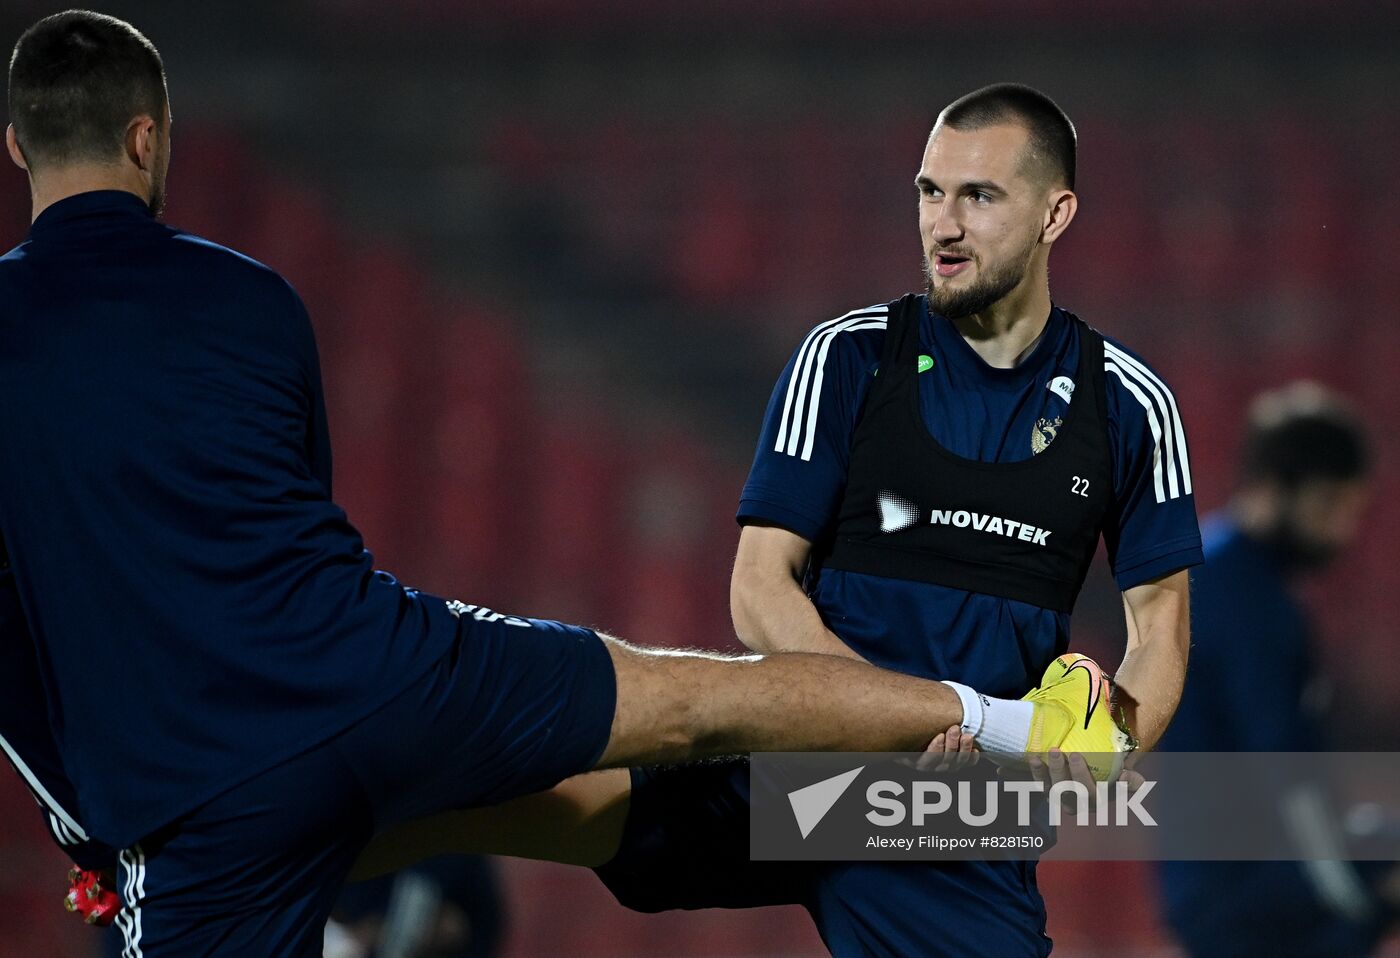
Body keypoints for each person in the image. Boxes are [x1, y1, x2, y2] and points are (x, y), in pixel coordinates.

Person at [0, 13, 1121, 957]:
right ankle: (1014, 722)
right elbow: (296, 511)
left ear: (16, 146)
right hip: (362, 663)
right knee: (687, 704)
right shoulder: (252, 297)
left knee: (416, 811)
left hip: (199, 784)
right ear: (149, 139)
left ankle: (992, 738)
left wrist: (99, 824)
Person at [336, 82, 1202, 958]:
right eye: (929, 192)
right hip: (798, 753)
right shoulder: (848, 357)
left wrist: (1109, 746)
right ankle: (279, 852)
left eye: (979, 196)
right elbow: (759, 586)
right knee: (531, 796)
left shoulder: (1128, 405)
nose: (943, 223)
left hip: (946, 807)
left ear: (1056, 214)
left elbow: (1158, 625)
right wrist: (882, 721)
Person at [1156, 382, 1399, 957]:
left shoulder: (1210, 567)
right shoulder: (1250, 603)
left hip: (1206, 881)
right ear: (1274, 488)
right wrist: (1358, 882)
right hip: (1245, 891)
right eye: (1329, 508)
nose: (1342, 531)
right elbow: (1285, 772)